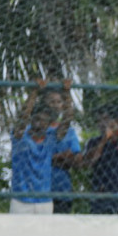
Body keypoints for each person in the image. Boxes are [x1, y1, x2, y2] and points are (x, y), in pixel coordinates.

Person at [9, 81, 78, 214]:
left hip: (44, 201)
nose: (40, 124)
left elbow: (67, 119)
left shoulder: (50, 139)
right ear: (32, 119)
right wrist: (35, 92)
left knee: (44, 234)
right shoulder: (21, 138)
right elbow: (23, 117)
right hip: (21, 200)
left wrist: (67, 93)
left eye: (44, 121)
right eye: (37, 119)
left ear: (48, 124)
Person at [37, 81, 83, 214]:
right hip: (39, 191)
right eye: (52, 101)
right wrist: (61, 157)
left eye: (58, 102)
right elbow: (37, 158)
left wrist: (52, 158)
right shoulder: (36, 129)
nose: (55, 106)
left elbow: (77, 159)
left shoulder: (69, 132)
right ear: (44, 103)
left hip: (62, 190)